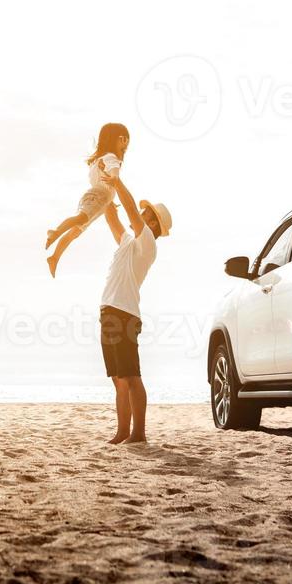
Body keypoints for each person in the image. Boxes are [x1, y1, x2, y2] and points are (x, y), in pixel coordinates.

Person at [97, 173, 171, 444]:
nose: (138, 213)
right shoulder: (129, 242)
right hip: (109, 311)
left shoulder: (148, 242)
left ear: (152, 221)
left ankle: (138, 433)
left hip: (124, 314)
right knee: (118, 378)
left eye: (144, 212)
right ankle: (122, 432)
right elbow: (113, 218)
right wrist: (103, 190)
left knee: (131, 375)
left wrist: (116, 182)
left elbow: (129, 210)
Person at [46, 122, 130, 277]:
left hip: (100, 201)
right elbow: (114, 173)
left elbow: (101, 179)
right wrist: (114, 180)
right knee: (80, 218)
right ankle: (56, 231)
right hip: (97, 198)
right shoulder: (111, 158)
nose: (126, 147)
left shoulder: (100, 159)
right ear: (119, 139)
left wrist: (110, 201)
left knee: (76, 231)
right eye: (125, 142)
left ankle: (54, 257)